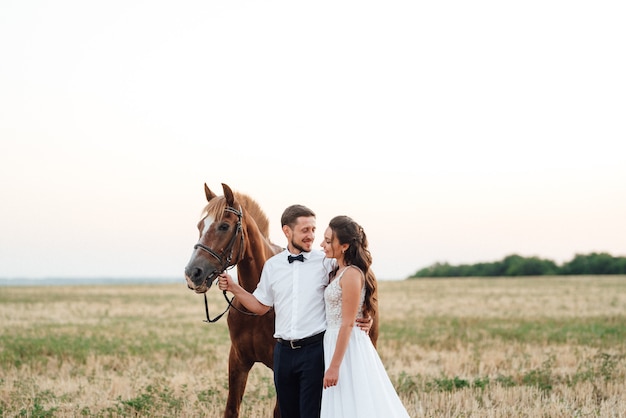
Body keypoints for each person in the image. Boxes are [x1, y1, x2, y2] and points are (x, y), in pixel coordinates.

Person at [217, 204, 371, 418]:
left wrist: (365, 314)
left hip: (314, 351)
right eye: (305, 230)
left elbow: (355, 278)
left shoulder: (326, 262)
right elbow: (260, 306)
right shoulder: (272, 266)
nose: (311, 236)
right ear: (287, 231)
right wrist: (234, 287)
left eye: (313, 230)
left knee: (310, 413)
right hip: (282, 354)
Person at [320, 215, 410, 417]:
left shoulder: (351, 274)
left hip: (348, 347)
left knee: (357, 402)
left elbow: (348, 323)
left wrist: (334, 367)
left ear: (343, 246)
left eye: (327, 241)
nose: (322, 244)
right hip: (334, 341)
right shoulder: (336, 270)